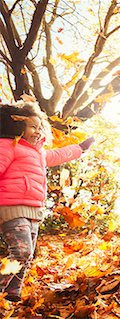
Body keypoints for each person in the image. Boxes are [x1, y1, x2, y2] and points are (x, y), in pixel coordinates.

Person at [0, 102, 95, 302]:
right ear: (19, 127)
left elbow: (58, 155)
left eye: (40, 127)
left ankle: (11, 296)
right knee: (22, 251)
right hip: (11, 207)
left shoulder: (39, 153)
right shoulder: (10, 145)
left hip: (34, 210)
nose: (37, 131)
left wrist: (80, 148)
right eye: (32, 126)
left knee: (28, 255)